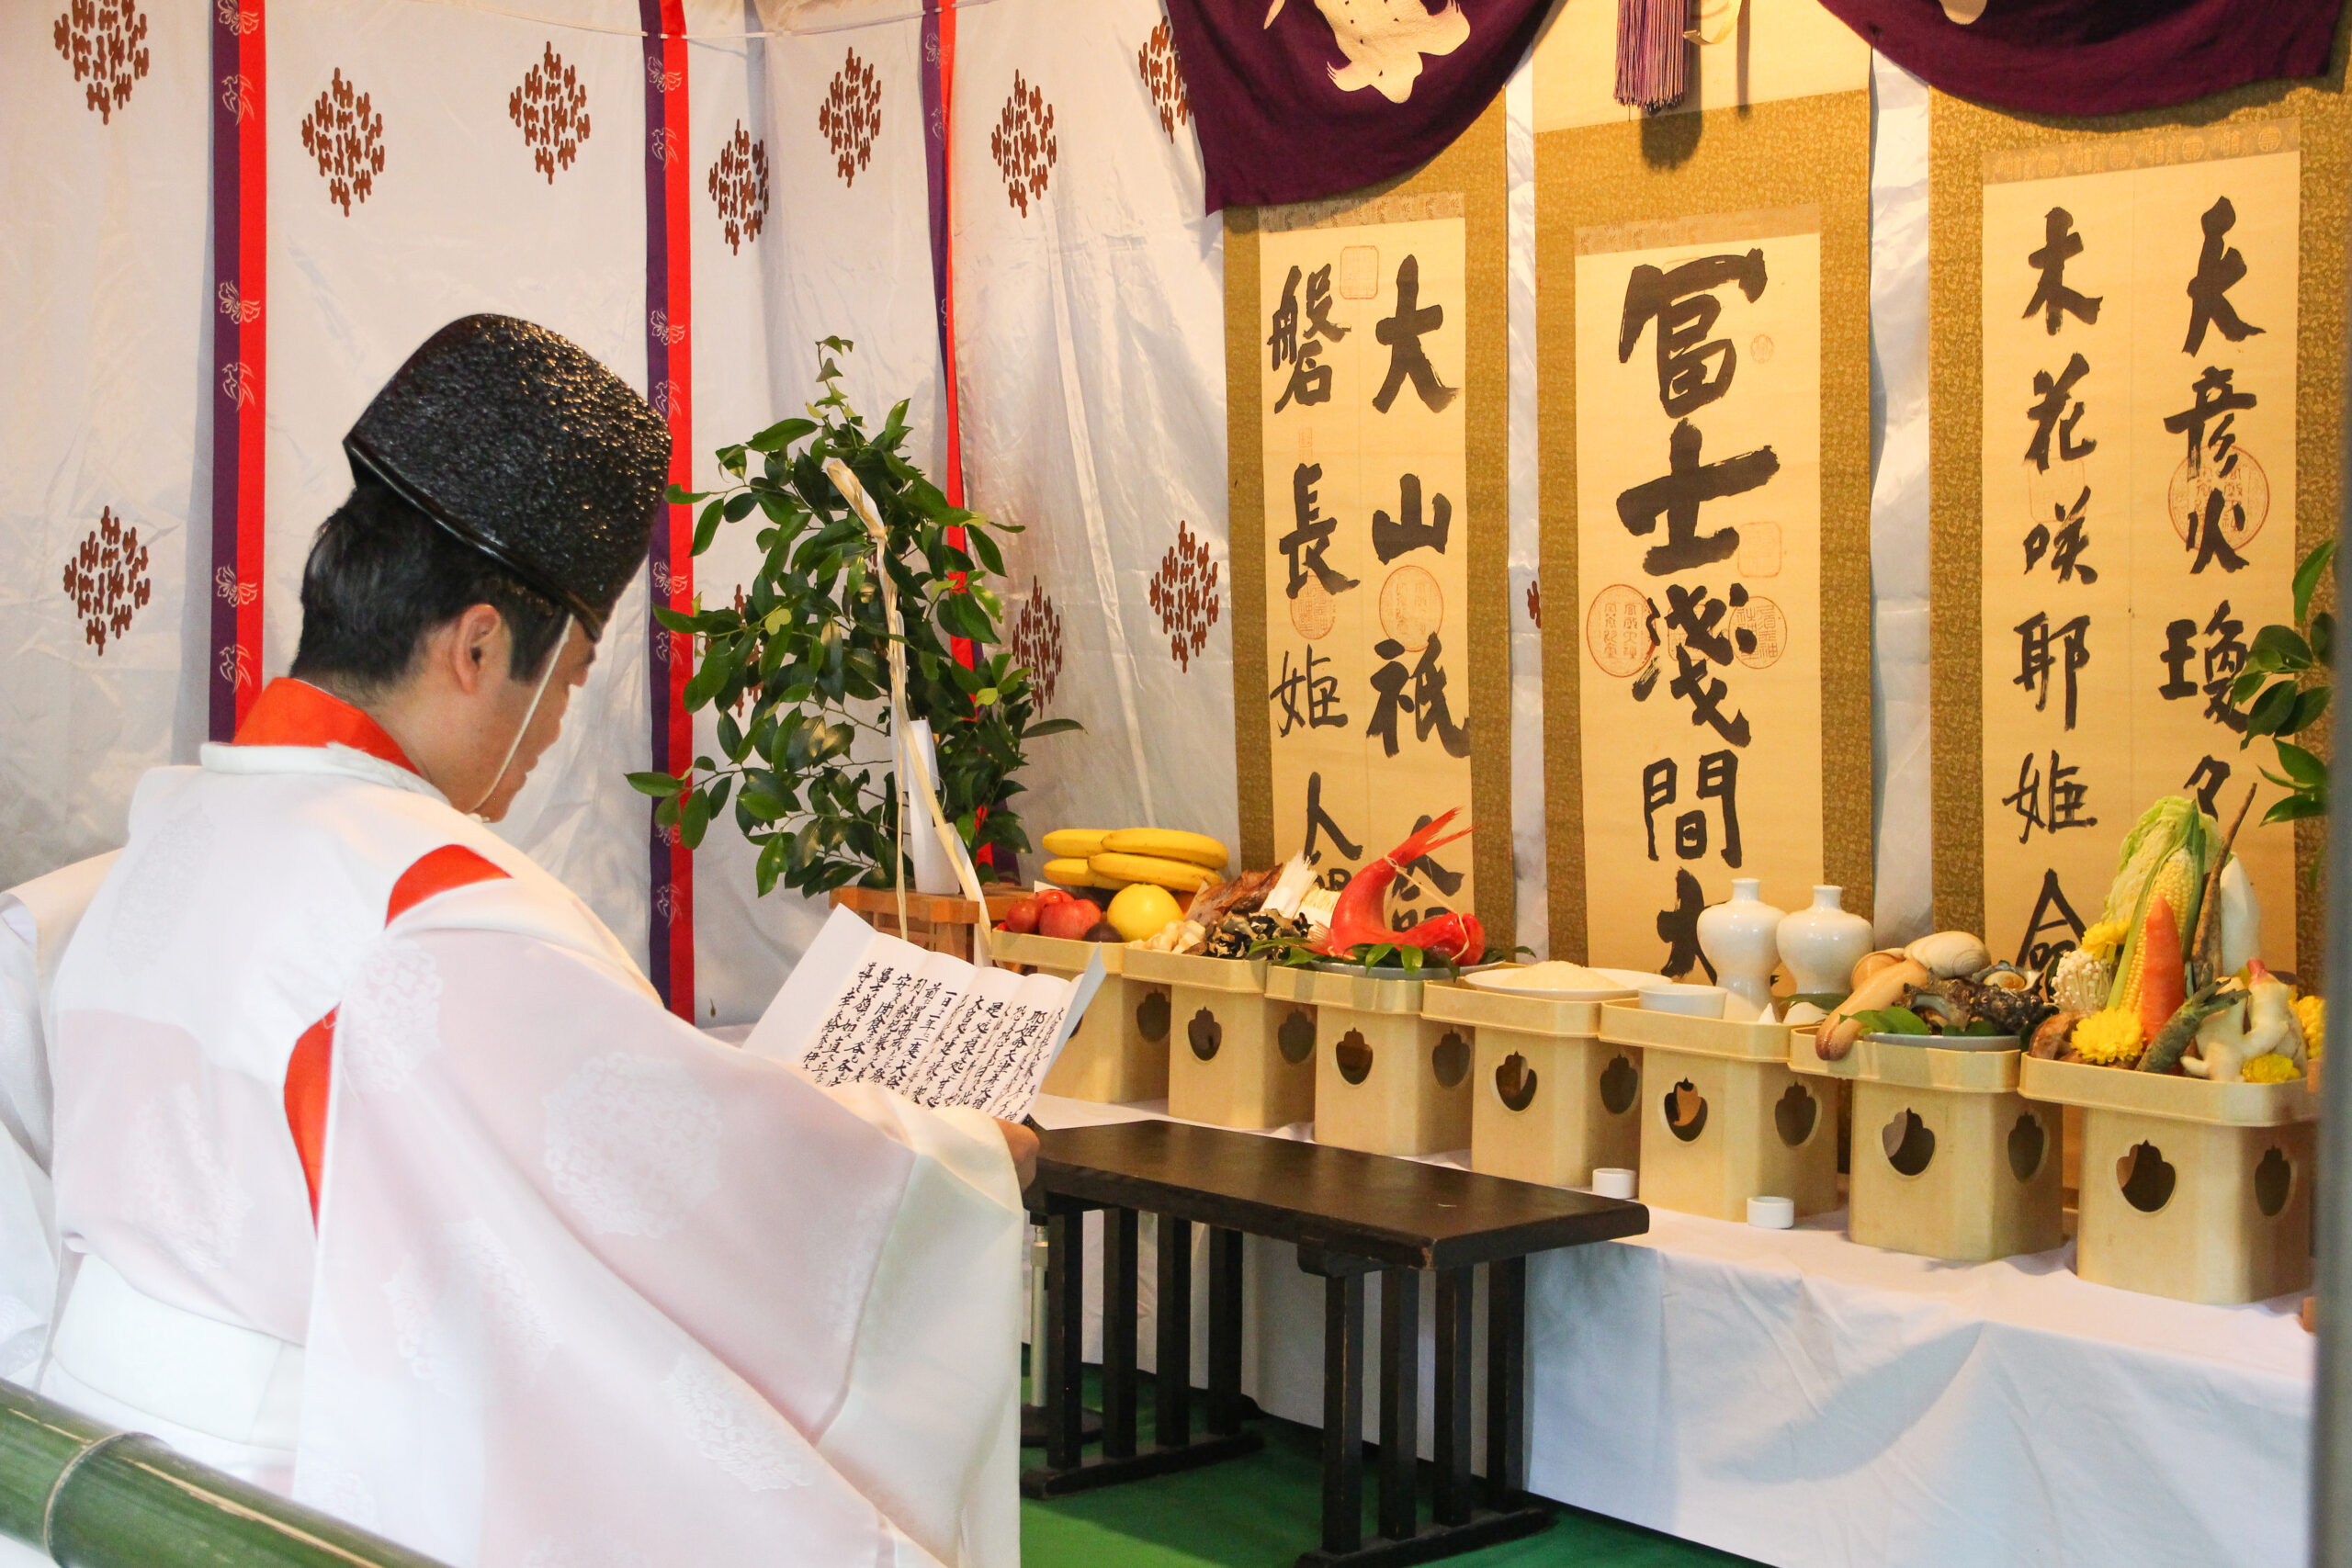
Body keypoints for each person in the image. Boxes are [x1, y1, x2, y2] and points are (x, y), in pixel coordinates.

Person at [33, 315, 1035, 1568]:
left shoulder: (166, 832)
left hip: (74, 1458)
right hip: (286, 1500)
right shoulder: (433, 905)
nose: (558, 726)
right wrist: (958, 1159)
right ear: (477, 646)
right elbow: (706, 1186)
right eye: (566, 681)